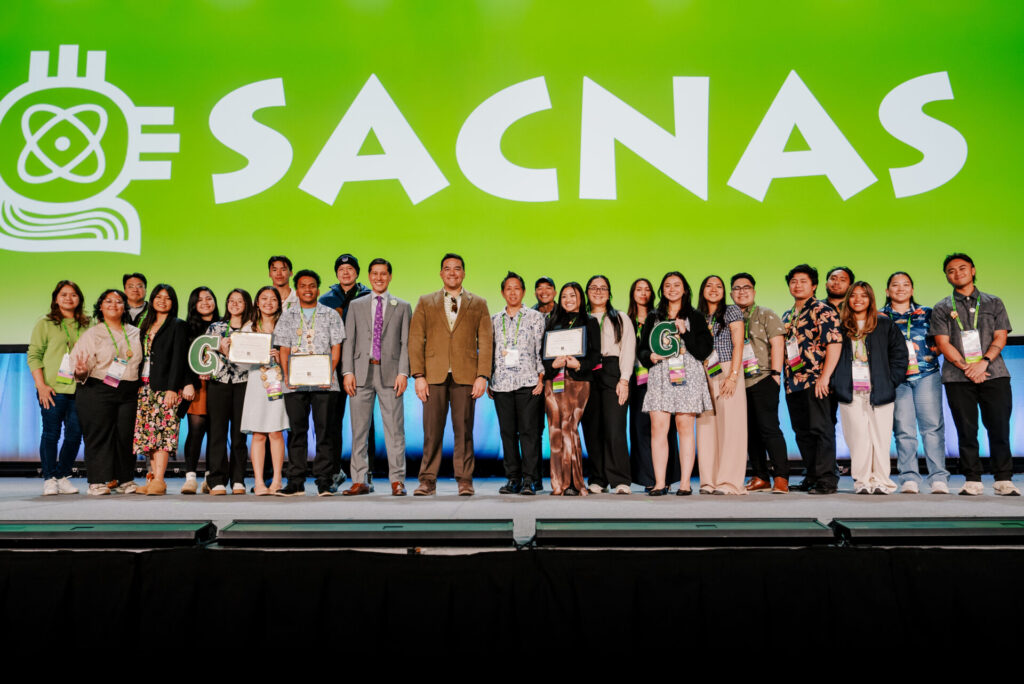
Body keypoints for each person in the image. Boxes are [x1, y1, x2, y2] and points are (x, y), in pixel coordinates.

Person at [932, 253, 1019, 496]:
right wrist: (968, 368)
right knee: (966, 429)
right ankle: (972, 479)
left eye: (962, 268)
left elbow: (1001, 336)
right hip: (958, 377)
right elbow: (943, 343)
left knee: (999, 426)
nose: (957, 273)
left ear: (973, 270)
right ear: (947, 276)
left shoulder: (994, 302)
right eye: (951, 270)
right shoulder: (941, 307)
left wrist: (984, 363)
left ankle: (1003, 479)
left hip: (995, 373)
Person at [409, 253, 493, 496]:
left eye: (457, 269)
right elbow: (416, 340)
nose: (452, 273)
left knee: (464, 431)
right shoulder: (426, 301)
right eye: (447, 269)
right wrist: (418, 375)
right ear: (441, 273)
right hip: (433, 376)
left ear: (464, 273)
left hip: (466, 376)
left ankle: (465, 480)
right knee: (431, 431)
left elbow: (486, 342)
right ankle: (427, 480)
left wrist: (482, 376)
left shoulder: (478, 302)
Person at [341, 258, 412, 496]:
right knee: (359, 430)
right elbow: (349, 341)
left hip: (390, 374)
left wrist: (403, 372)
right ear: (369, 277)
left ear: (390, 276)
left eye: (383, 274)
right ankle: (360, 479)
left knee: (395, 430)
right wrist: (347, 371)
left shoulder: (402, 306)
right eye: (374, 274)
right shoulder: (357, 305)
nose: (379, 278)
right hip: (361, 373)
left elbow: (406, 344)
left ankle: (397, 480)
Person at [638, 272, 713, 496]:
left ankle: (685, 483)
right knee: (658, 430)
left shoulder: (696, 316)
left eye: (677, 285)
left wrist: (685, 332)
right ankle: (660, 482)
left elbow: (703, 350)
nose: (672, 289)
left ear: (685, 289)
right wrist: (649, 357)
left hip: (688, 375)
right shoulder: (653, 317)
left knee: (685, 429)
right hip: (660, 375)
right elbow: (642, 349)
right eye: (667, 285)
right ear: (662, 290)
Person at [275, 269, 346, 496]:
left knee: (325, 432)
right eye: (303, 285)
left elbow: (336, 348)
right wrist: (287, 376)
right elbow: (283, 348)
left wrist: (328, 374)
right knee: (297, 432)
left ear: (318, 288)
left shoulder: (330, 314)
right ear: (297, 289)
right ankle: (295, 481)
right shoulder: (287, 315)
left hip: (325, 384)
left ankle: (324, 481)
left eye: (313, 285)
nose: (308, 289)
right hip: (294, 383)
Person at [832, 282, 908, 494]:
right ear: (848, 300)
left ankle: (882, 481)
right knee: (858, 438)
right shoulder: (840, 326)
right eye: (853, 296)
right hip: (850, 390)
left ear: (871, 299)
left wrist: (890, 381)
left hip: (880, 390)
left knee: (881, 438)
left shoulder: (884, 324)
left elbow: (900, 355)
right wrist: (836, 381)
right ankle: (862, 481)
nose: (858, 299)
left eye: (863, 296)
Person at [880, 272, 950, 494]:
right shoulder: (879, 317)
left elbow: (941, 341)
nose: (900, 288)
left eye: (906, 285)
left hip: (926, 374)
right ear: (887, 290)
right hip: (897, 379)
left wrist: (930, 355)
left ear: (912, 289)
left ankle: (938, 477)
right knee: (903, 429)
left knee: (932, 427)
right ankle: (909, 477)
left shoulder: (928, 313)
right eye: (895, 285)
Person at [71, 289, 142, 495]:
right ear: (100, 307)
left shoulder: (135, 332)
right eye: (108, 301)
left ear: (125, 307)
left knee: (125, 436)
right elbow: (77, 367)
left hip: (128, 389)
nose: (113, 305)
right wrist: (81, 370)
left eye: (119, 301)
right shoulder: (92, 333)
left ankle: (125, 480)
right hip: (97, 388)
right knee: (99, 435)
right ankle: (97, 481)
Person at [781, 265, 842, 495]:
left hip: (816, 380)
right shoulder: (788, 315)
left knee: (821, 429)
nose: (797, 285)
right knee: (801, 431)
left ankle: (827, 479)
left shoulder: (823, 310)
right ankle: (812, 475)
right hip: (793, 381)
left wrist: (824, 378)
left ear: (814, 285)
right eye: (793, 281)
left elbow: (834, 344)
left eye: (803, 281)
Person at [28, 280, 89, 495]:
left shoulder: (88, 324)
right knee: (51, 434)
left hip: (80, 389)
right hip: (52, 389)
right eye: (63, 294)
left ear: (79, 298)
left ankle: (62, 475)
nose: (68, 298)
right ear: (56, 298)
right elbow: (34, 356)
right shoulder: (45, 323)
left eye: (73, 294)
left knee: (75, 435)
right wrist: (41, 385)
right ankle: (49, 478)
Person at [729, 273, 789, 493]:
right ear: (731, 293)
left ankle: (781, 477)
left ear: (754, 291)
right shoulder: (728, 316)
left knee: (769, 428)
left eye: (746, 287)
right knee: (749, 431)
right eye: (737, 288)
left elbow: (778, 344)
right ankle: (760, 476)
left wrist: (775, 373)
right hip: (737, 383)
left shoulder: (766, 314)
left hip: (763, 377)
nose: (742, 291)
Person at [490, 271, 546, 495]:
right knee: (507, 433)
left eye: (517, 288)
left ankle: (530, 480)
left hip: (529, 382)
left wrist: (541, 377)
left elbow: (540, 349)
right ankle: (513, 478)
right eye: (508, 289)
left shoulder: (535, 317)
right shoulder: (495, 320)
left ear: (523, 292)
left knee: (529, 433)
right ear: (503, 292)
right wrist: (489, 379)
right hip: (502, 384)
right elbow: (490, 352)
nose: (513, 292)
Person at [542, 282, 601, 496]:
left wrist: (579, 365)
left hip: (578, 381)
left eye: (573, 296)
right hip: (554, 382)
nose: (568, 299)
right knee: (555, 430)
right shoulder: (552, 321)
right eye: (565, 296)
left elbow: (596, 354)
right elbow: (543, 354)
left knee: (569, 428)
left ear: (580, 299)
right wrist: (552, 365)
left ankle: (574, 482)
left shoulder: (590, 322)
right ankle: (558, 483)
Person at [320, 253, 372, 491]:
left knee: (364, 422)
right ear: (336, 273)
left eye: (350, 268)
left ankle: (365, 474)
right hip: (334, 368)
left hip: (363, 367)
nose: (346, 272)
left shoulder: (370, 296)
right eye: (341, 270)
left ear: (357, 272)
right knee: (331, 422)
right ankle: (334, 471)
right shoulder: (326, 299)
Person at [133, 284, 190, 496]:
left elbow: (178, 359)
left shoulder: (177, 325)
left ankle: (159, 478)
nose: (162, 300)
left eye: (167, 298)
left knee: (164, 435)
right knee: (149, 436)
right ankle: (153, 478)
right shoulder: (144, 324)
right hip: (144, 387)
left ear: (173, 302)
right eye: (158, 297)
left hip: (164, 388)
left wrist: (172, 388)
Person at [581, 275, 635, 495]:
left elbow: (628, 350)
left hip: (613, 372)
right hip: (587, 375)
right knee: (592, 429)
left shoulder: (620, 318)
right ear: (587, 292)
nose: (598, 291)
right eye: (594, 287)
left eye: (603, 288)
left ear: (610, 293)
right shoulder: (581, 319)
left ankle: (620, 479)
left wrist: (624, 379)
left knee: (615, 428)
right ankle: (598, 479)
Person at [695, 275, 747, 495]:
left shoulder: (731, 311)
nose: (714, 289)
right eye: (709, 285)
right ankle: (708, 481)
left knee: (731, 427)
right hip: (703, 372)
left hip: (727, 369)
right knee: (706, 427)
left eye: (718, 286)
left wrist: (733, 376)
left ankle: (729, 482)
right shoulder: (696, 316)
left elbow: (738, 345)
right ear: (702, 290)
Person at [626, 277, 679, 490]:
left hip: (663, 378)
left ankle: (665, 477)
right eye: (638, 289)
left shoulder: (660, 318)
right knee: (640, 429)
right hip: (636, 381)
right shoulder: (625, 319)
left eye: (647, 289)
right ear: (632, 293)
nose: (643, 293)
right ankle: (649, 479)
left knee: (666, 429)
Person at [236, 286, 288, 495]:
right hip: (257, 383)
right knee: (258, 434)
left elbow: (296, 356)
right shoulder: (248, 328)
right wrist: (254, 355)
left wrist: (281, 357)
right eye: (264, 298)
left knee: (276, 432)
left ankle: (277, 480)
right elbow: (240, 364)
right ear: (257, 302)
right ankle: (258, 482)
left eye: (273, 299)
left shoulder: (286, 327)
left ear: (279, 302)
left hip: (279, 383)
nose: (268, 302)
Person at [204, 288, 253, 495]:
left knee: (239, 433)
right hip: (219, 382)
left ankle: (239, 479)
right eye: (231, 300)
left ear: (246, 304)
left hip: (244, 382)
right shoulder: (216, 326)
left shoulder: (252, 327)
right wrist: (219, 351)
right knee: (217, 432)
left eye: (239, 301)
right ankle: (217, 480)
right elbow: (204, 356)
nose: (234, 304)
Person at [180, 287, 219, 494]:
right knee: (196, 431)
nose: (205, 302)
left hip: (220, 386)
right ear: (193, 304)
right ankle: (190, 477)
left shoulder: (224, 325)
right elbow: (181, 359)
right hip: (197, 387)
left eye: (209, 298)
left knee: (216, 433)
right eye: (200, 299)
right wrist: (187, 382)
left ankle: (210, 478)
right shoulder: (186, 328)